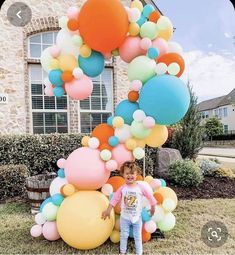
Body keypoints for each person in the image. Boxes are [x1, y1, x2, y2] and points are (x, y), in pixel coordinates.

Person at [102, 161, 157, 255]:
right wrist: (108, 210)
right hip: (125, 217)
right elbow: (114, 199)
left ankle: (139, 252)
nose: (130, 176)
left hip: (137, 218)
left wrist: (153, 208)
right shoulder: (122, 188)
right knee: (124, 235)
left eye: (132, 173)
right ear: (123, 174)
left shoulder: (141, 188)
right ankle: (122, 251)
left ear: (136, 175)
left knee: (137, 236)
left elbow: (150, 197)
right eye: (127, 173)